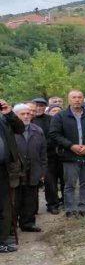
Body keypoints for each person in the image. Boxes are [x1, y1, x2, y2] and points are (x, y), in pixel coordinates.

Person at [49, 90, 85, 218]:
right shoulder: (60, 116)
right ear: (68, 100)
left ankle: (84, 207)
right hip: (70, 155)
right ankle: (70, 209)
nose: (77, 100)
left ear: (83, 99)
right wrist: (70, 146)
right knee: (70, 184)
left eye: (79, 97)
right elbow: (54, 134)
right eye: (74, 97)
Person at [13, 103, 46, 233]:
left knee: (31, 198)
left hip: (33, 169)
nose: (26, 116)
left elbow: (43, 153)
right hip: (15, 171)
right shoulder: (9, 130)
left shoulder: (37, 130)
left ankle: (28, 223)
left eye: (28, 114)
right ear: (15, 116)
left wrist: (43, 170)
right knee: (15, 200)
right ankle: (11, 226)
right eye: (23, 114)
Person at [0, 98, 25, 253]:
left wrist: (9, 113)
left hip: (4, 168)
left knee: (4, 205)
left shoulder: (4, 117)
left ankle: (2, 240)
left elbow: (20, 129)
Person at [31, 98, 61, 214]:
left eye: (41, 106)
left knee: (50, 181)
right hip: (30, 156)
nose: (38, 108)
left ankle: (53, 204)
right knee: (31, 183)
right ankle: (32, 208)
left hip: (48, 155)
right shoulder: (28, 118)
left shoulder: (51, 120)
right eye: (36, 106)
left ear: (45, 107)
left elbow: (53, 136)